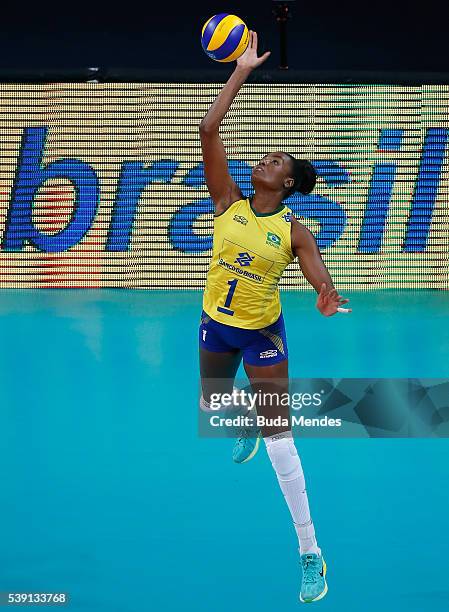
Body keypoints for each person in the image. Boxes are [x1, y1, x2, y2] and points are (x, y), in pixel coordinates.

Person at [198, 31, 351, 604]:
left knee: (280, 436)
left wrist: (327, 295)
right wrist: (242, 69)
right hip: (215, 323)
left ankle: (310, 553)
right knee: (212, 403)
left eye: (277, 161)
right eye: (267, 155)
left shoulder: (294, 231)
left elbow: (317, 272)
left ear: (286, 184)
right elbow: (209, 130)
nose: (267, 157)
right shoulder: (227, 202)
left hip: (263, 334)